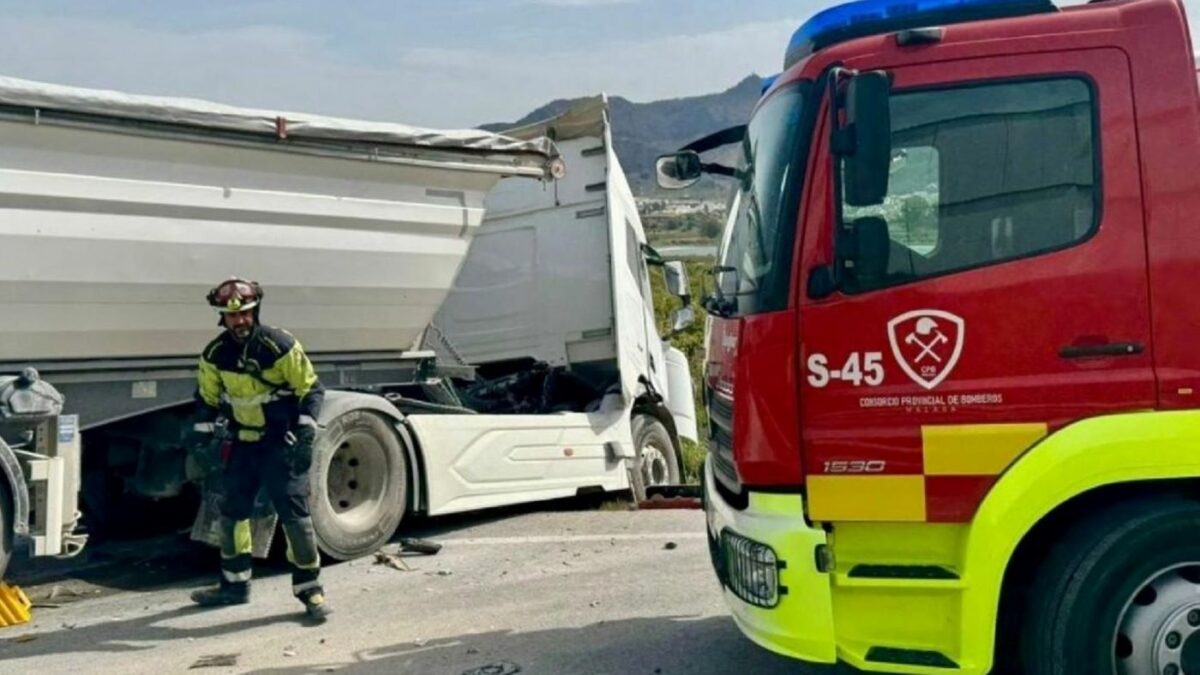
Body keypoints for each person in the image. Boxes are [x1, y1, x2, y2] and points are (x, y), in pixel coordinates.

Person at [188, 277, 330, 621]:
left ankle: (310, 590)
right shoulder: (215, 354)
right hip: (242, 446)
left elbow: (311, 390)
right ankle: (234, 587)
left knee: (296, 519)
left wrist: (306, 435)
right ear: (222, 318)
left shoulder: (278, 345)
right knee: (232, 515)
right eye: (232, 316)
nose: (239, 321)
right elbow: (207, 401)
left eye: (245, 314)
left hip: (280, 445)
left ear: (256, 311)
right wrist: (201, 444)